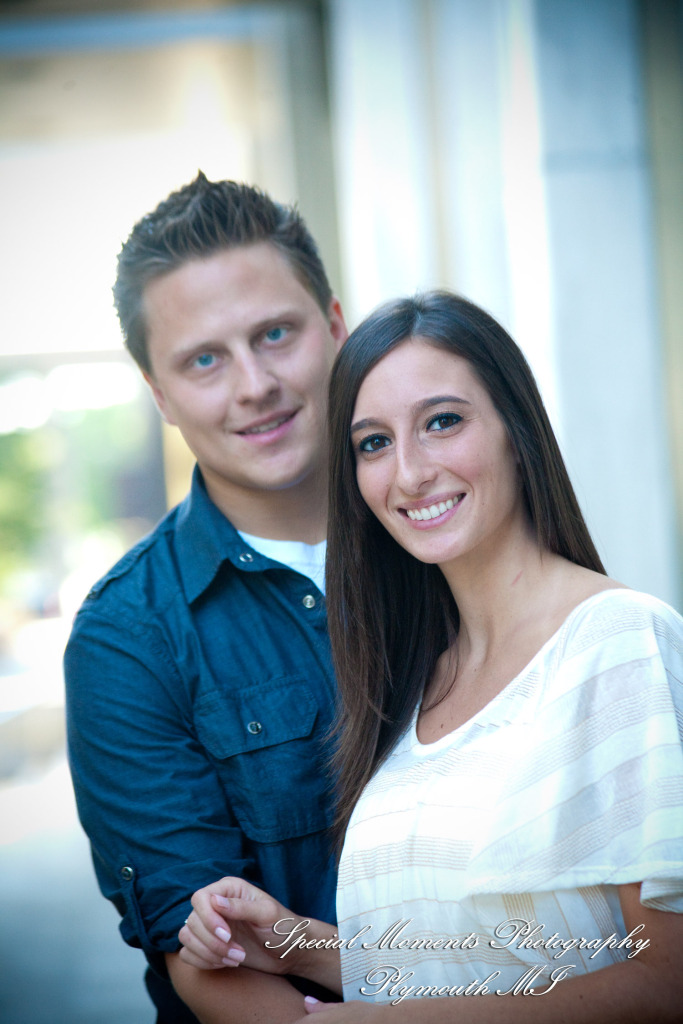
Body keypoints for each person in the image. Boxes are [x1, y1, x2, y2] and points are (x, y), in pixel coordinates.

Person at [179, 291, 683, 1022]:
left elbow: (666, 982)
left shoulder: (618, 641)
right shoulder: (416, 682)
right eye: (373, 443)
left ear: (516, 430)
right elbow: (470, 963)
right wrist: (291, 944)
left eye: (442, 421)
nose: (409, 473)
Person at [64, 172, 348, 1024]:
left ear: (336, 327)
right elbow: (213, 963)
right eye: (204, 360)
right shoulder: (127, 639)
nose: (253, 384)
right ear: (159, 393)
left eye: (274, 334)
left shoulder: (452, 540)